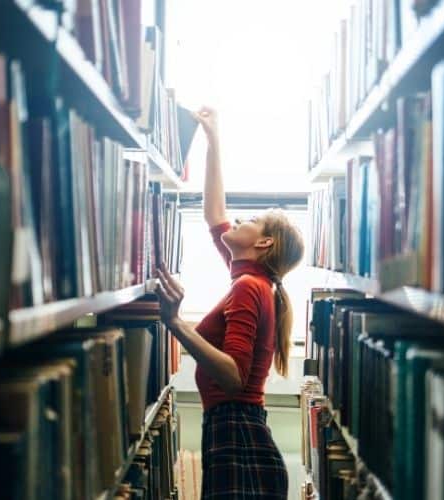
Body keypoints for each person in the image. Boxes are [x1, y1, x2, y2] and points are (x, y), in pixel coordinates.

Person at [155, 106, 305, 499]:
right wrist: (213, 138)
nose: (236, 221)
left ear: (264, 243)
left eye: (250, 220)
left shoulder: (249, 288)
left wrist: (176, 323)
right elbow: (214, 214)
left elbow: (233, 377)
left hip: (236, 432)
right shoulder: (251, 278)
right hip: (235, 429)